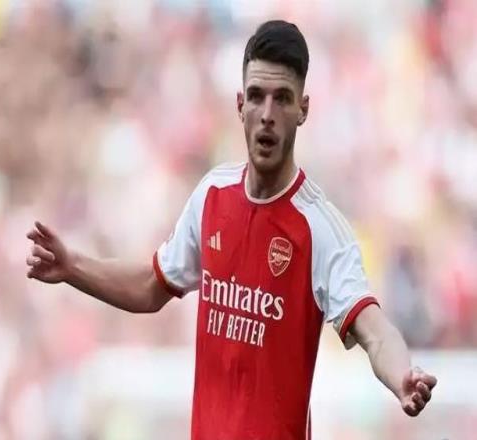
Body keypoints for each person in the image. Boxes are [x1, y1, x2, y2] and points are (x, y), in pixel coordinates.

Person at [26, 20, 437, 440]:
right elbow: (152, 284)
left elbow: (374, 330)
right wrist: (72, 266)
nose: (267, 115)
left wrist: (402, 375)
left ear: (303, 109)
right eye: (256, 96)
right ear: (240, 104)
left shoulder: (320, 228)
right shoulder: (212, 194)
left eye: (282, 99)